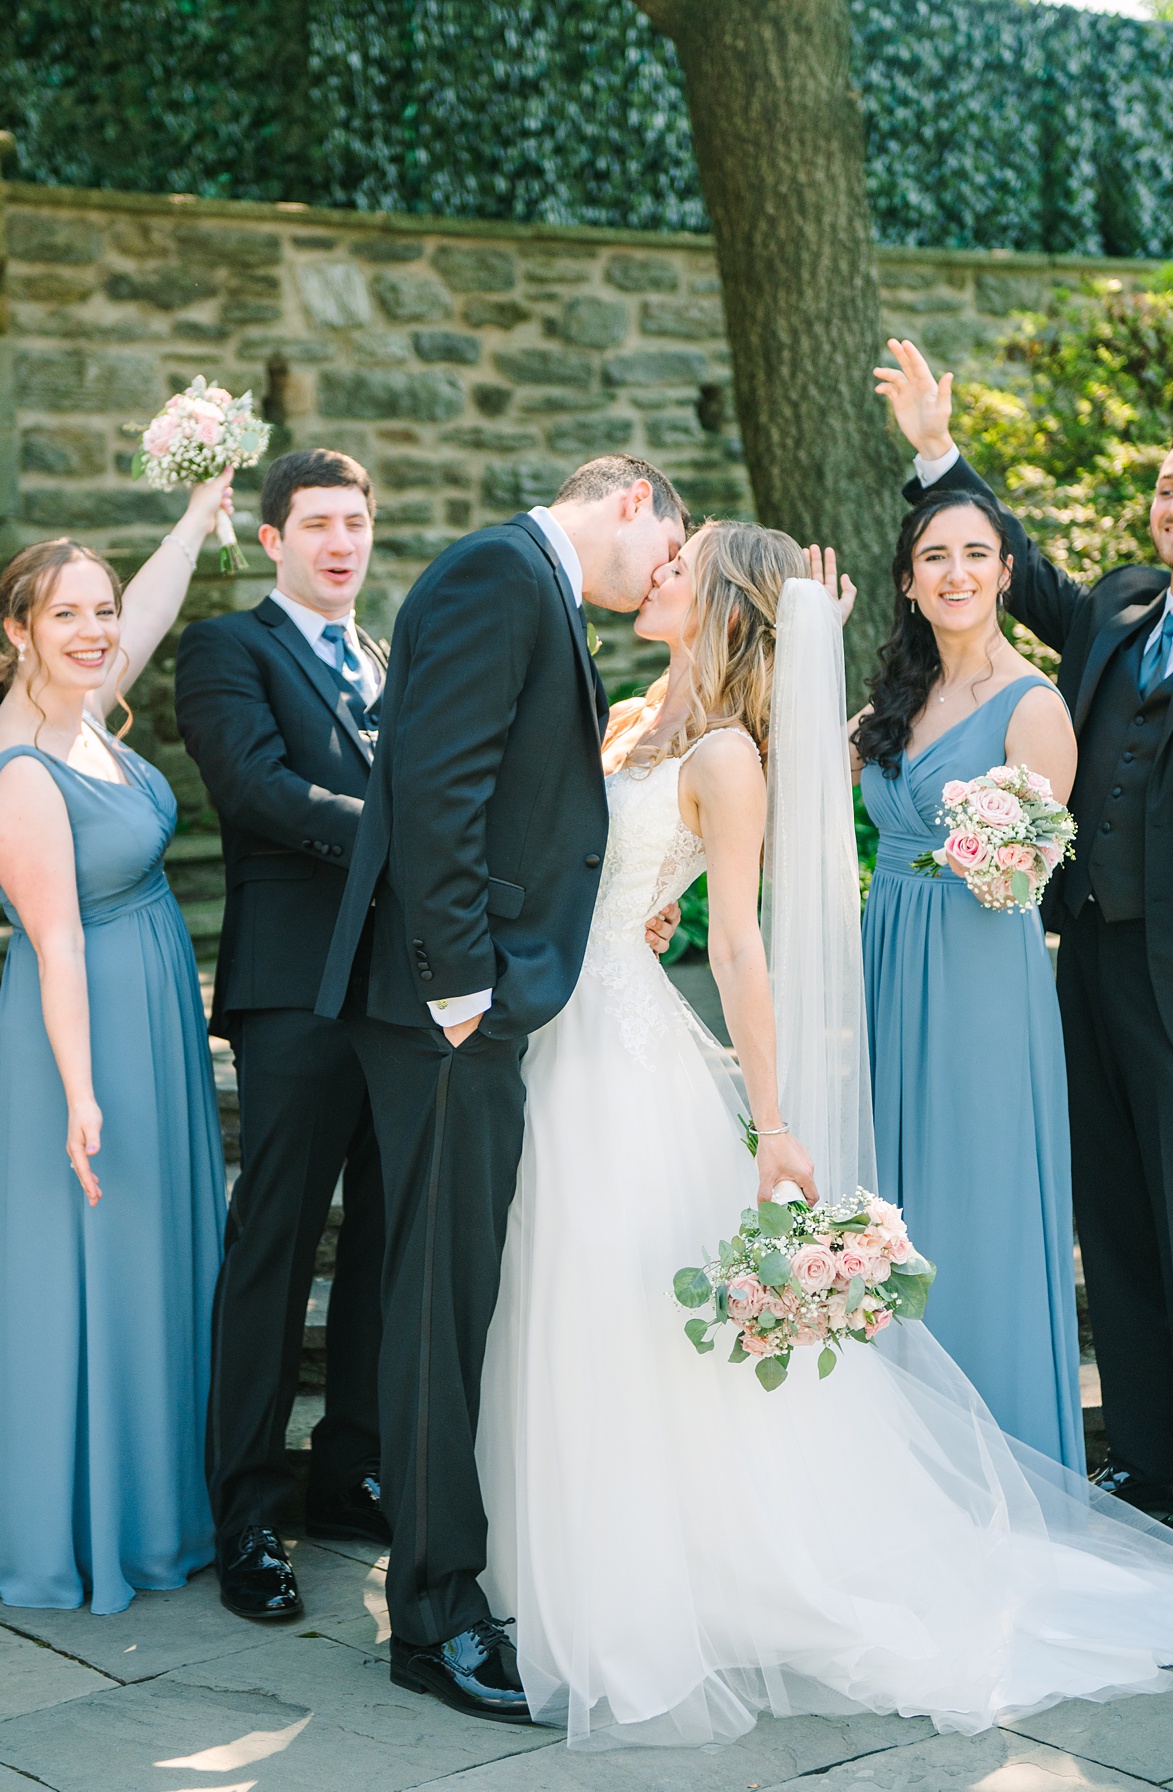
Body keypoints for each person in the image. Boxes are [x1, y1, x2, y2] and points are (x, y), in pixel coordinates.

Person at [474, 522, 1173, 1745]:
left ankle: (674, 1575)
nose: (658, 571)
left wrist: (773, 1119)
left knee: (614, 1287)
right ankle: (565, 1548)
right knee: (567, 1295)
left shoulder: (731, 756)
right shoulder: (627, 711)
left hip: (703, 1029)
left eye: (680, 562)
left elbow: (741, 936)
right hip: (568, 1027)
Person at [315, 455, 693, 1722]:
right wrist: (460, 985)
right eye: (666, 548)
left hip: (456, 1004)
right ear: (632, 499)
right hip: (443, 1014)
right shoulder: (501, 574)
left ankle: (436, 1588)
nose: (661, 577)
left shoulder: (529, 584)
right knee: (439, 1309)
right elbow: (437, 789)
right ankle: (434, 1617)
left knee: (446, 1297)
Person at [877, 340, 1173, 1528]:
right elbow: (997, 567)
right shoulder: (1115, 606)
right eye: (1164, 484)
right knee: (1108, 1212)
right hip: (1085, 956)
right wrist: (934, 453)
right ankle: (1151, 1464)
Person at [0, 473, 235, 1613]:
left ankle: (163, 1502)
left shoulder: (83, 709)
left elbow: (143, 615)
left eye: (99, 610)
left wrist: (195, 520)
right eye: (67, 615)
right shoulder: (20, 768)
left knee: (160, 1262)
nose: (96, 631)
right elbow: (54, 947)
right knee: (95, 1271)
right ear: (17, 632)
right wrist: (82, 1096)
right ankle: (87, 1529)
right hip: (79, 1036)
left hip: (153, 1020)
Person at [174, 449, 390, 1623]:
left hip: (394, 998)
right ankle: (249, 1509)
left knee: (385, 1238)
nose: (339, 543)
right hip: (291, 994)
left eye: (354, 523)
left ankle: (353, 1469)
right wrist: (406, 834)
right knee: (278, 1245)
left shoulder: (387, 656)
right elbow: (254, 793)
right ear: (271, 540)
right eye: (316, 525)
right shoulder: (227, 650)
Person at [851, 488, 1083, 1469]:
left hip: (979, 967)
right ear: (909, 580)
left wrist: (986, 853)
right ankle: (891, 1453)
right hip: (887, 955)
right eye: (934, 555)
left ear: (1002, 572)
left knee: (972, 1197)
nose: (955, 572)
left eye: (975, 553)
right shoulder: (888, 706)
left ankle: (997, 1458)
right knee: (887, 1193)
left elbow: (1031, 866)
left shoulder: (1034, 704)